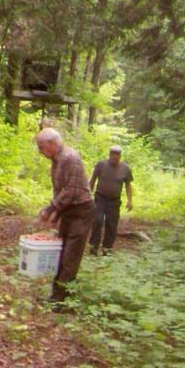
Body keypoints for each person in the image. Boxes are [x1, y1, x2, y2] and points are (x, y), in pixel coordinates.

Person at [35, 127, 95, 307]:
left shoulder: (70, 158)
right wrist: (57, 212)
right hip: (69, 210)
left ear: (53, 143)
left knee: (70, 256)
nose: (40, 151)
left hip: (81, 211)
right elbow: (60, 190)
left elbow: (73, 190)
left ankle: (61, 301)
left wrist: (51, 208)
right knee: (60, 253)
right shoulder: (55, 159)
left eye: (41, 146)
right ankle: (57, 294)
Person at [89, 145, 133, 255]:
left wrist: (130, 200)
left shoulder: (125, 168)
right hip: (100, 197)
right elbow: (93, 179)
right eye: (112, 154)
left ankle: (107, 248)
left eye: (117, 154)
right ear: (109, 155)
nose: (114, 156)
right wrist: (88, 195)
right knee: (98, 220)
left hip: (114, 200)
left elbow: (128, 185)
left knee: (111, 223)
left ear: (120, 156)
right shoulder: (101, 165)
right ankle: (94, 246)